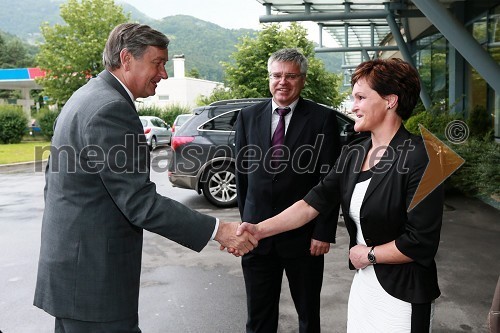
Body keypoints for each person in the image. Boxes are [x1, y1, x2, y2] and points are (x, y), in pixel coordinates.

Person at [33, 23, 257, 333]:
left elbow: (54, 184)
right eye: (158, 63)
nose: (163, 74)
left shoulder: (85, 96)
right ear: (126, 59)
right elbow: (139, 202)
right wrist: (219, 230)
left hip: (76, 275)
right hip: (95, 283)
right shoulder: (110, 109)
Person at [237, 58, 444, 332]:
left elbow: (421, 241)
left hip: (403, 293)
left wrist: (369, 255)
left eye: (360, 97)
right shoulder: (354, 152)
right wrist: (258, 230)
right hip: (364, 286)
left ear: (390, 101)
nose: (353, 106)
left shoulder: (426, 156)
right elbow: (312, 203)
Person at [234, 48, 341, 333]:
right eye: (277, 75)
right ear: (269, 78)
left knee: (307, 315)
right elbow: (242, 176)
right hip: (257, 238)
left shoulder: (322, 120)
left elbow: (330, 180)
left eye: (291, 76)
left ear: (302, 79)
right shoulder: (247, 117)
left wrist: (323, 231)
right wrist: (248, 222)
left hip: (304, 239)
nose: (283, 82)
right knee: (258, 317)